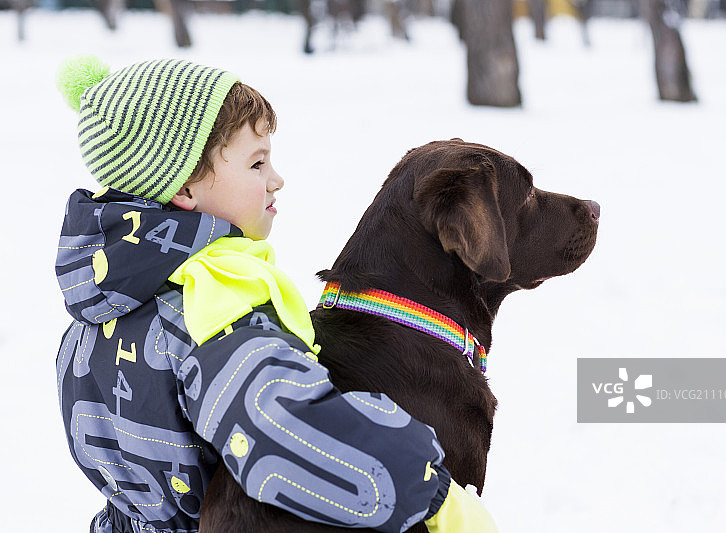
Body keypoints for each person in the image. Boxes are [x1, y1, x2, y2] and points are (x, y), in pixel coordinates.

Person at [54, 56, 498, 533]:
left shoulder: (97, 307)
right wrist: (432, 494)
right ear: (183, 188)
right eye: (256, 163)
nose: (276, 179)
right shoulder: (215, 297)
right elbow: (285, 429)